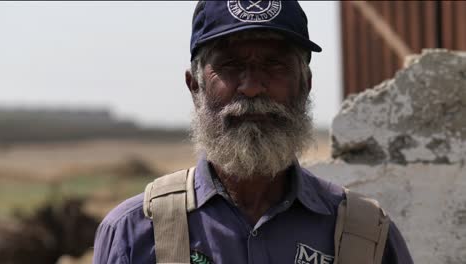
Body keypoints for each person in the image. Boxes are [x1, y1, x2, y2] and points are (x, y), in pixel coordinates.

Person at [93, 1, 413, 263]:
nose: (251, 87)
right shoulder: (134, 233)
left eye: (275, 65)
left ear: (305, 86)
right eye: (230, 66)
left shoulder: (366, 235)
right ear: (195, 87)